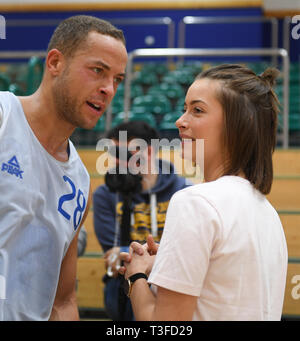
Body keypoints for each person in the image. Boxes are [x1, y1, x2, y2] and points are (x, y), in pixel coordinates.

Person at [119, 64, 288, 321]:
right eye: (184, 109)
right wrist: (168, 263)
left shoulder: (195, 202)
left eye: (197, 110)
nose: (180, 121)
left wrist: (137, 275)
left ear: (239, 124)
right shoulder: (269, 214)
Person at [0, 15, 127, 321]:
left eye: (117, 80)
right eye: (98, 71)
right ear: (55, 62)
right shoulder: (4, 117)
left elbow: (63, 300)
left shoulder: (81, 182)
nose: (108, 89)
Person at [93, 120, 191, 320]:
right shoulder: (105, 194)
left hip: (171, 282)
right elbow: (112, 257)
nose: (115, 163)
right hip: (123, 285)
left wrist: (138, 257)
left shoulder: (184, 191)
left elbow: (187, 253)